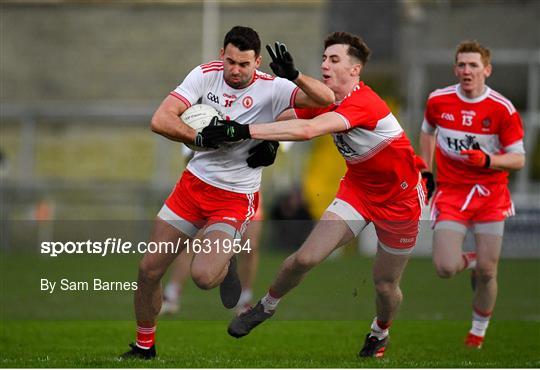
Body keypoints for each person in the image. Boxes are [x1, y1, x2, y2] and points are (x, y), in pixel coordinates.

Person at [200, 31, 426, 358]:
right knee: (303, 258)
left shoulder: (365, 102)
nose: (325, 65)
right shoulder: (325, 99)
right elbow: (282, 119)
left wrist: (244, 130)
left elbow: (307, 131)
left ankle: (380, 331)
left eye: (334, 60)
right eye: (323, 59)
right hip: (358, 191)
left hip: (399, 201)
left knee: (385, 285)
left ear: (355, 70)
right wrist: (266, 139)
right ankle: (265, 306)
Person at [120, 25, 334, 359]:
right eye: (230, 62)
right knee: (148, 270)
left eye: (244, 65)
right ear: (222, 55)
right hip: (192, 187)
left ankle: (226, 260)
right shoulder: (205, 75)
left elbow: (327, 100)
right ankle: (144, 347)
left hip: (234, 196)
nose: (235, 71)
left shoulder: (275, 88)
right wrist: (198, 137)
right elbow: (160, 119)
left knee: (204, 277)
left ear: (257, 63)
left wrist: (295, 76)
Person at [418, 40, 525, 349]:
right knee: (445, 267)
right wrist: (427, 170)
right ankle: (476, 258)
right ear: (455, 69)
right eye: (462, 65)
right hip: (452, 192)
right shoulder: (438, 100)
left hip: (490, 193)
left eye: (473, 65)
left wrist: (489, 160)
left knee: (488, 273)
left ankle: (477, 331)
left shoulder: (502, 109)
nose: (467, 70)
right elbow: (427, 131)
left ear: (486, 70)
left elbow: (518, 159)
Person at [160, 200, 264, 315]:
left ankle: (245, 299)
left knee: (251, 247)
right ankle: (171, 294)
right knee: (193, 242)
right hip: (215, 196)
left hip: (247, 196)